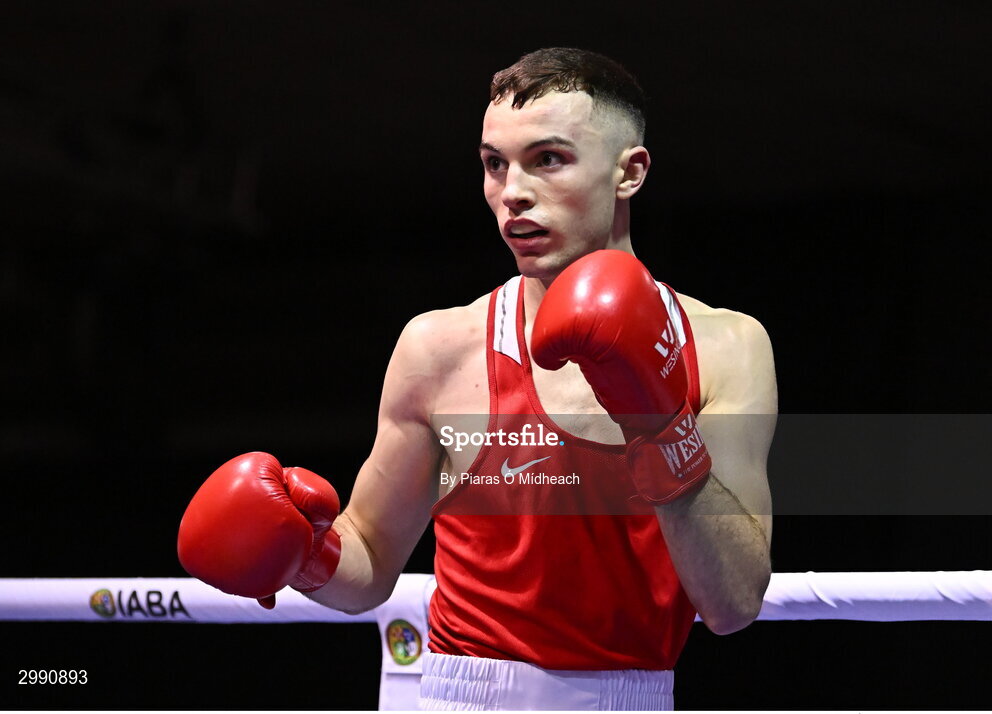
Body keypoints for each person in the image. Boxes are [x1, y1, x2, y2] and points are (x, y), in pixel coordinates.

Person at [177, 47, 776, 711]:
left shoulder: (725, 347)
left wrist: (658, 424)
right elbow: (371, 560)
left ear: (628, 173)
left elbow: (733, 603)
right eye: (495, 164)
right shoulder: (440, 348)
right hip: (462, 695)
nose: (512, 190)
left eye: (548, 159)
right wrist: (301, 558)